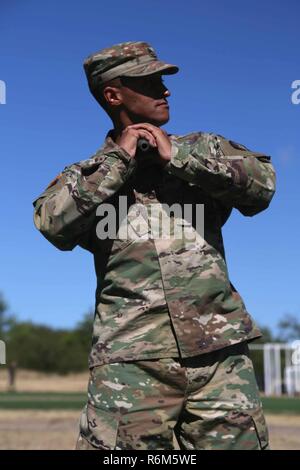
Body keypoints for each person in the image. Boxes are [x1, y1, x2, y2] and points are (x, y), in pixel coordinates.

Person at [33, 41, 276, 450]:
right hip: (130, 364)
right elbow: (52, 222)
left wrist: (178, 155)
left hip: (218, 357)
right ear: (114, 95)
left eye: (163, 82)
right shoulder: (86, 176)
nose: (166, 91)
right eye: (150, 83)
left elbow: (262, 185)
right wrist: (118, 163)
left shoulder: (203, 149)